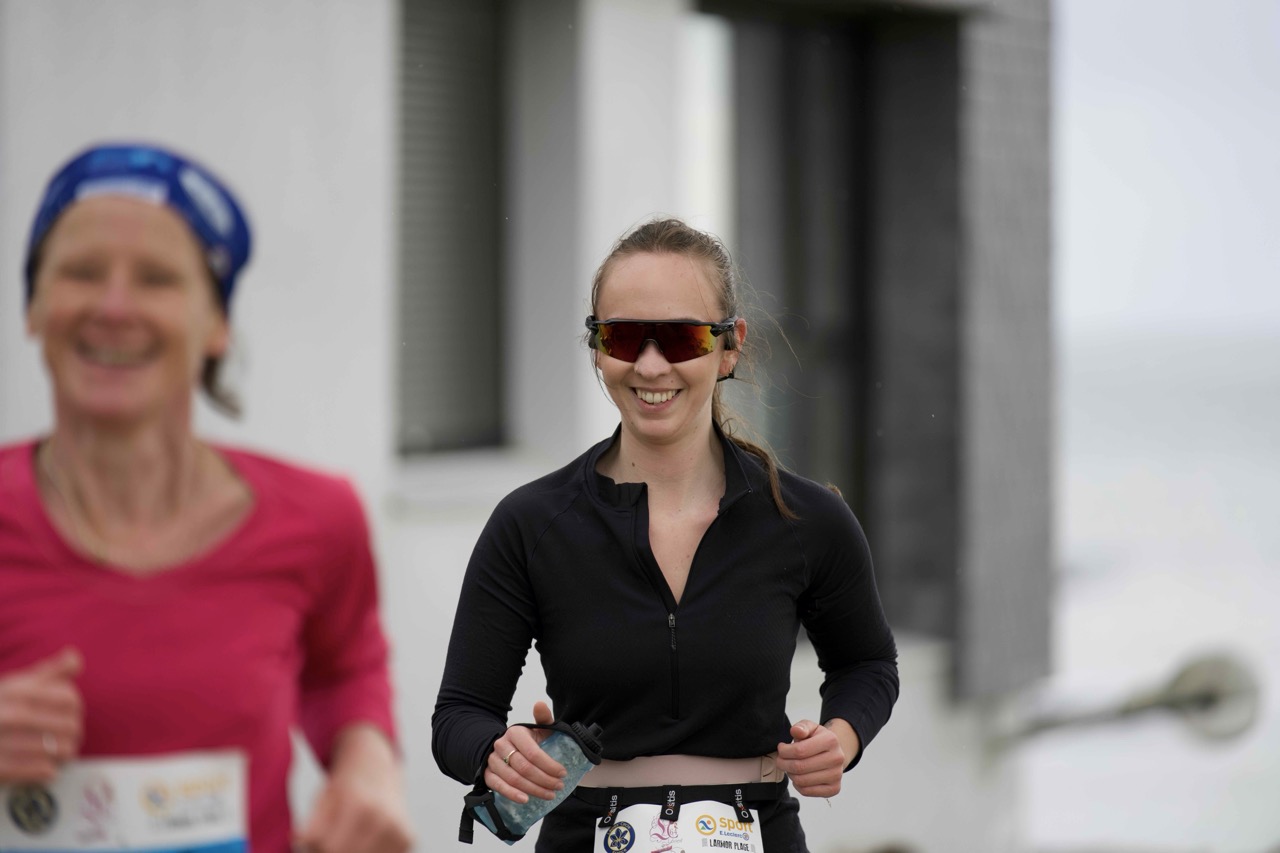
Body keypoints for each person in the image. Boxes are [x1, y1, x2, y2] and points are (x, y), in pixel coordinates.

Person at [432, 218, 899, 852]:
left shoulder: (805, 518)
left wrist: (841, 739)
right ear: (597, 346)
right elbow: (458, 715)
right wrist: (498, 753)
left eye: (680, 338)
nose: (650, 365)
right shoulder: (530, 523)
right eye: (623, 337)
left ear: (729, 346)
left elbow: (868, 664)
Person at [0, 143, 412, 853]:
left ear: (217, 324)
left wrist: (369, 769)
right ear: (34, 307)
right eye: (81, 272)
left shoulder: (319, 518)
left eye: (157, 278)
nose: (113, 306)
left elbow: (344, 670)